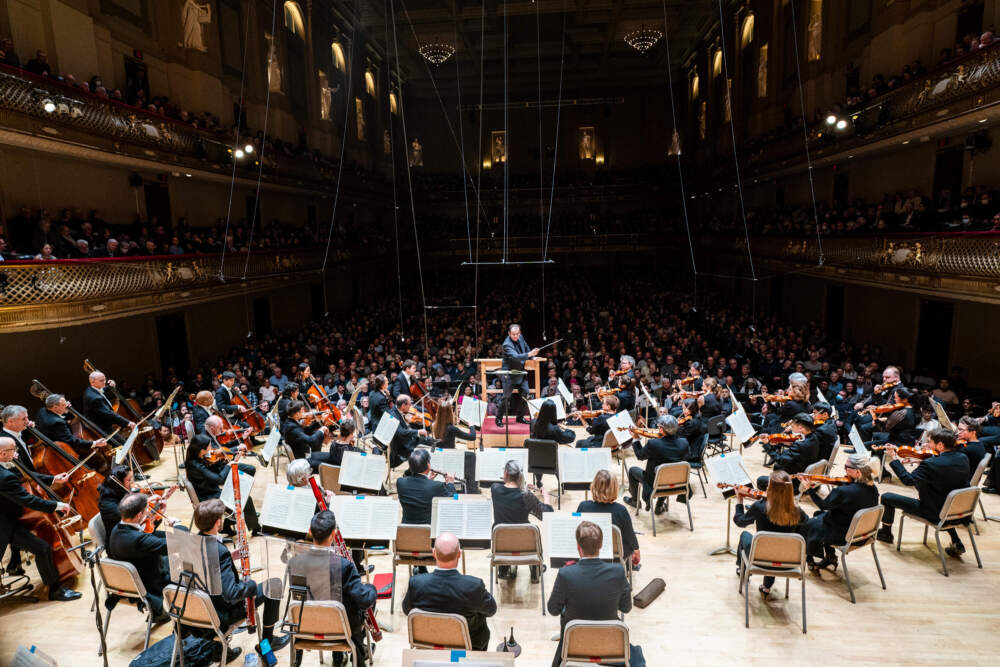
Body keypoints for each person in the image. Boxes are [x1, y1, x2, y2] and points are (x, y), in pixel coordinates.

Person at [192, 499, 291, 659]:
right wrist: (250, 584)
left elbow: (205, 565)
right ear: (218, 522)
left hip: (202, 608)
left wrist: (230, 557)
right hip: (222, 613)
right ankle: (268, 642)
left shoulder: (194, 541)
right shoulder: (218, 551)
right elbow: (231, 594)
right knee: (274, 585)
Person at [547, 521, 641, 667]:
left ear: (578, 547)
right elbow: (626, 608)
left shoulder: (566, 574)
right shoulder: (618, 571)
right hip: (610, 645)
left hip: (574, 646)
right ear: (601, 545)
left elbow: (553, 609)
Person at [289, 511, 377, 665]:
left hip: (307, 627)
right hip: (342, 629)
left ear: (310, 532)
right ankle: (357, 651)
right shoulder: (345, 566)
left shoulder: (295, 563)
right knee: (364, 596)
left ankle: (338, 657)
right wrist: (373, 590)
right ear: (333, 535)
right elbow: (363, 600)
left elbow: (299, 595)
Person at [0, 436, 81, 601]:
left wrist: (53, 479)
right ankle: (55, 591)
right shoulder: (3, 477)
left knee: (42, 548)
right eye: (13, 450)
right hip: (4, 524)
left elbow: (22, 477)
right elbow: (28, 500)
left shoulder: (5, 468)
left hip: (9, 517)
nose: (16, 453)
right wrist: (57, 505)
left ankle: (54, 587)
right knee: (43, 548)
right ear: (2, 454)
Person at [877, 428, 971, 557]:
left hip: (935, 512)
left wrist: (893, 458)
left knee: (887, 497)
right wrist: (921, 461)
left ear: (940, 445)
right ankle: (956, 541)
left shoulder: (930, 464)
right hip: (957, 510)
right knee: (931, 492)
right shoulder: (963, 457)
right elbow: (943, 470)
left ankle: (885, 534)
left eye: (930, 442)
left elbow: (908, 480)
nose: (927, 445)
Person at [402, 532, 497, 651]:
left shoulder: (416, 583)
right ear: (459, 554)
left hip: (428, 647)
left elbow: (407, 610)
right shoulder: (473, 586)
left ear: (434, 553)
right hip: (466, 650)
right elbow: (491, 610)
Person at [107, 492, 186, 620]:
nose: (148, 512)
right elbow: (179, 543)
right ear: (139, 515)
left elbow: (146, 535)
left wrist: (156, 517)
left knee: (172, 557)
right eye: (146, 510)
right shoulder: (137, 540)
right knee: (188, 566)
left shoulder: (116, 529)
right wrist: (178, 525)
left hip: (132, 575)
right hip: (150, 582)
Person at [733, 471, 808, 598]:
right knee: (777, 544)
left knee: (745, 535)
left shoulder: (759, 507)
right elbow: (806, 526)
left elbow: (740, 521)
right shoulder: (797, 511)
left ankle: (743, 570)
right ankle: (767, 587)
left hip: (759, 561)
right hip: (789, 562)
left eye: (768, 486)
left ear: (771, 489)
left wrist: (739, 500)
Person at [800, 453, 880, 570]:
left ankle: (809, 559)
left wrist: (809, 489)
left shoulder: (843, 492)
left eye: (846, 467)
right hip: (861, 535)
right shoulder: (873, 488)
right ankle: (830, 556)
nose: (844, 469)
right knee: (819, 515)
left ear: (858, 472)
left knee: (805, 524)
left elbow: (823, 505)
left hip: (843, 536)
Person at [183, 434, 261, 534]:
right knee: (246, 499)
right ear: (202, 449)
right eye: (209, 447)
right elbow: (218, 479)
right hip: (208, 497)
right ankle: (256, 529)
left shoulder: (198, 456)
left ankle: (227, 525)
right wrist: (229, 464)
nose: (211, 449)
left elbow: (218, 453)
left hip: (211, 491)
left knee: (242, 495)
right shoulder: (195, 464)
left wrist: (235, 450)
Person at [490, 460, 553, 581]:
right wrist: (546, 496)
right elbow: (546, 515)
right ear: (520, 475)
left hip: (502, 546)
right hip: (525, 546)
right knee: (534, 530)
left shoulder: (495, 490)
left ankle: (503, 568)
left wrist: (523, 486)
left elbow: (503, 485)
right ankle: (535, 569)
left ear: (506, 474)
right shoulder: (526, 496)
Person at [625, 415, 689, 512]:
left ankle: (634, 501)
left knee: (632, 470)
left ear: (662, 430)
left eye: (659, 427)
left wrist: (635, 438)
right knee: (669, 471)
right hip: (676, 483)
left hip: (655, 484)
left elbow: (640, 456)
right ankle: (659, 506)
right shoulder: (684, 443)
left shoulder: (654, 444)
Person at [576, 469, 640, 568]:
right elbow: (629, 535)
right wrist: (636, 550)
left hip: (589, 551)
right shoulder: (621, 510)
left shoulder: (583, 507)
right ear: (615, 489)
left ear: (593, 486)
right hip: (616, 555)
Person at [34, 393, 108, 463]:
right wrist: (95, 443)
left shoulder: (42, 411)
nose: (66, 405)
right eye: (63, 405)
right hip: (62, 449)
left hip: (53, 437)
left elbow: (59, 418)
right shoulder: (57, 423)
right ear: (55, 407)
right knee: (88, 450)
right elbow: (72, 441)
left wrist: (66, 411)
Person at [756, 413, 820, 492]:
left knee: (761, 480)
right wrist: (783, 442)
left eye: (793, 426)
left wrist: (767, 445)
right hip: (803, 474)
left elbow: (780, 460)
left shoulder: (799, 445)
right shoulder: (814, 437)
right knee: (777, 467)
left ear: (800, 428)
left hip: (793, 482)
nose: (791, 429)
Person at [497, 324, 541, 427]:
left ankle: (520, 417)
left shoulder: (521, 338)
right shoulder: (506, 344)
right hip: (509, 373)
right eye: (513, 334)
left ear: (520, 333)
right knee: (506, 397)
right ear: (509, 334)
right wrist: (530, 354)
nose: (516, 336)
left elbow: (526, 348)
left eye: (517, 334)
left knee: (526, 393)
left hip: (521, 372)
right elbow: (516, 357)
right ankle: (498, 418)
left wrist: (532, 357)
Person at [396, 449, 455, 525]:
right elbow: (452, 500)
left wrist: (428, 481)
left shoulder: (400, 482)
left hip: (407, 530)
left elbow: (416, 490)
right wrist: (450, 483)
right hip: (428, 531)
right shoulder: (436, 486)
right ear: (428, 465)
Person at [529, 398, 575, 486]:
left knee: (540, 452)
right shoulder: (554, 429)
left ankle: (538, 481)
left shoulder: (533, 423)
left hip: (535, 461)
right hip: (551, 463)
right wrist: (566, 428)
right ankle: (562, 484)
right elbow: (570, 438)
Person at [282, 400, 333, 472]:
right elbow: (311, 441)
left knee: (332, 456)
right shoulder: (293, 428)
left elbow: (306, 430)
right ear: (297, 414)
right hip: (303, 460)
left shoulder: (290, 421)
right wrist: (321, 430)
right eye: (302, 411)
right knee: (330, 466)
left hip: (303, 453)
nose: (305, 413)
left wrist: (320, 421)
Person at [387, 394, 428, 468]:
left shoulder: (396, 410)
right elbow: (401, 432)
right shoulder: (393, 415)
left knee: (427, 440)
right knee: (425, 445)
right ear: (403, 405)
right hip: (402, 447)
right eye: (409, 404)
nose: (411, 407)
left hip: (406, 440)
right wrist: (418, 431)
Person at [97, 464, 133, 537]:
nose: (132, 483)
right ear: (118, 482)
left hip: (132, 534)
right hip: (121, 542)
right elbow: (131, 520)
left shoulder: (119, 492)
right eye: (129, 480)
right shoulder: (108, 505)